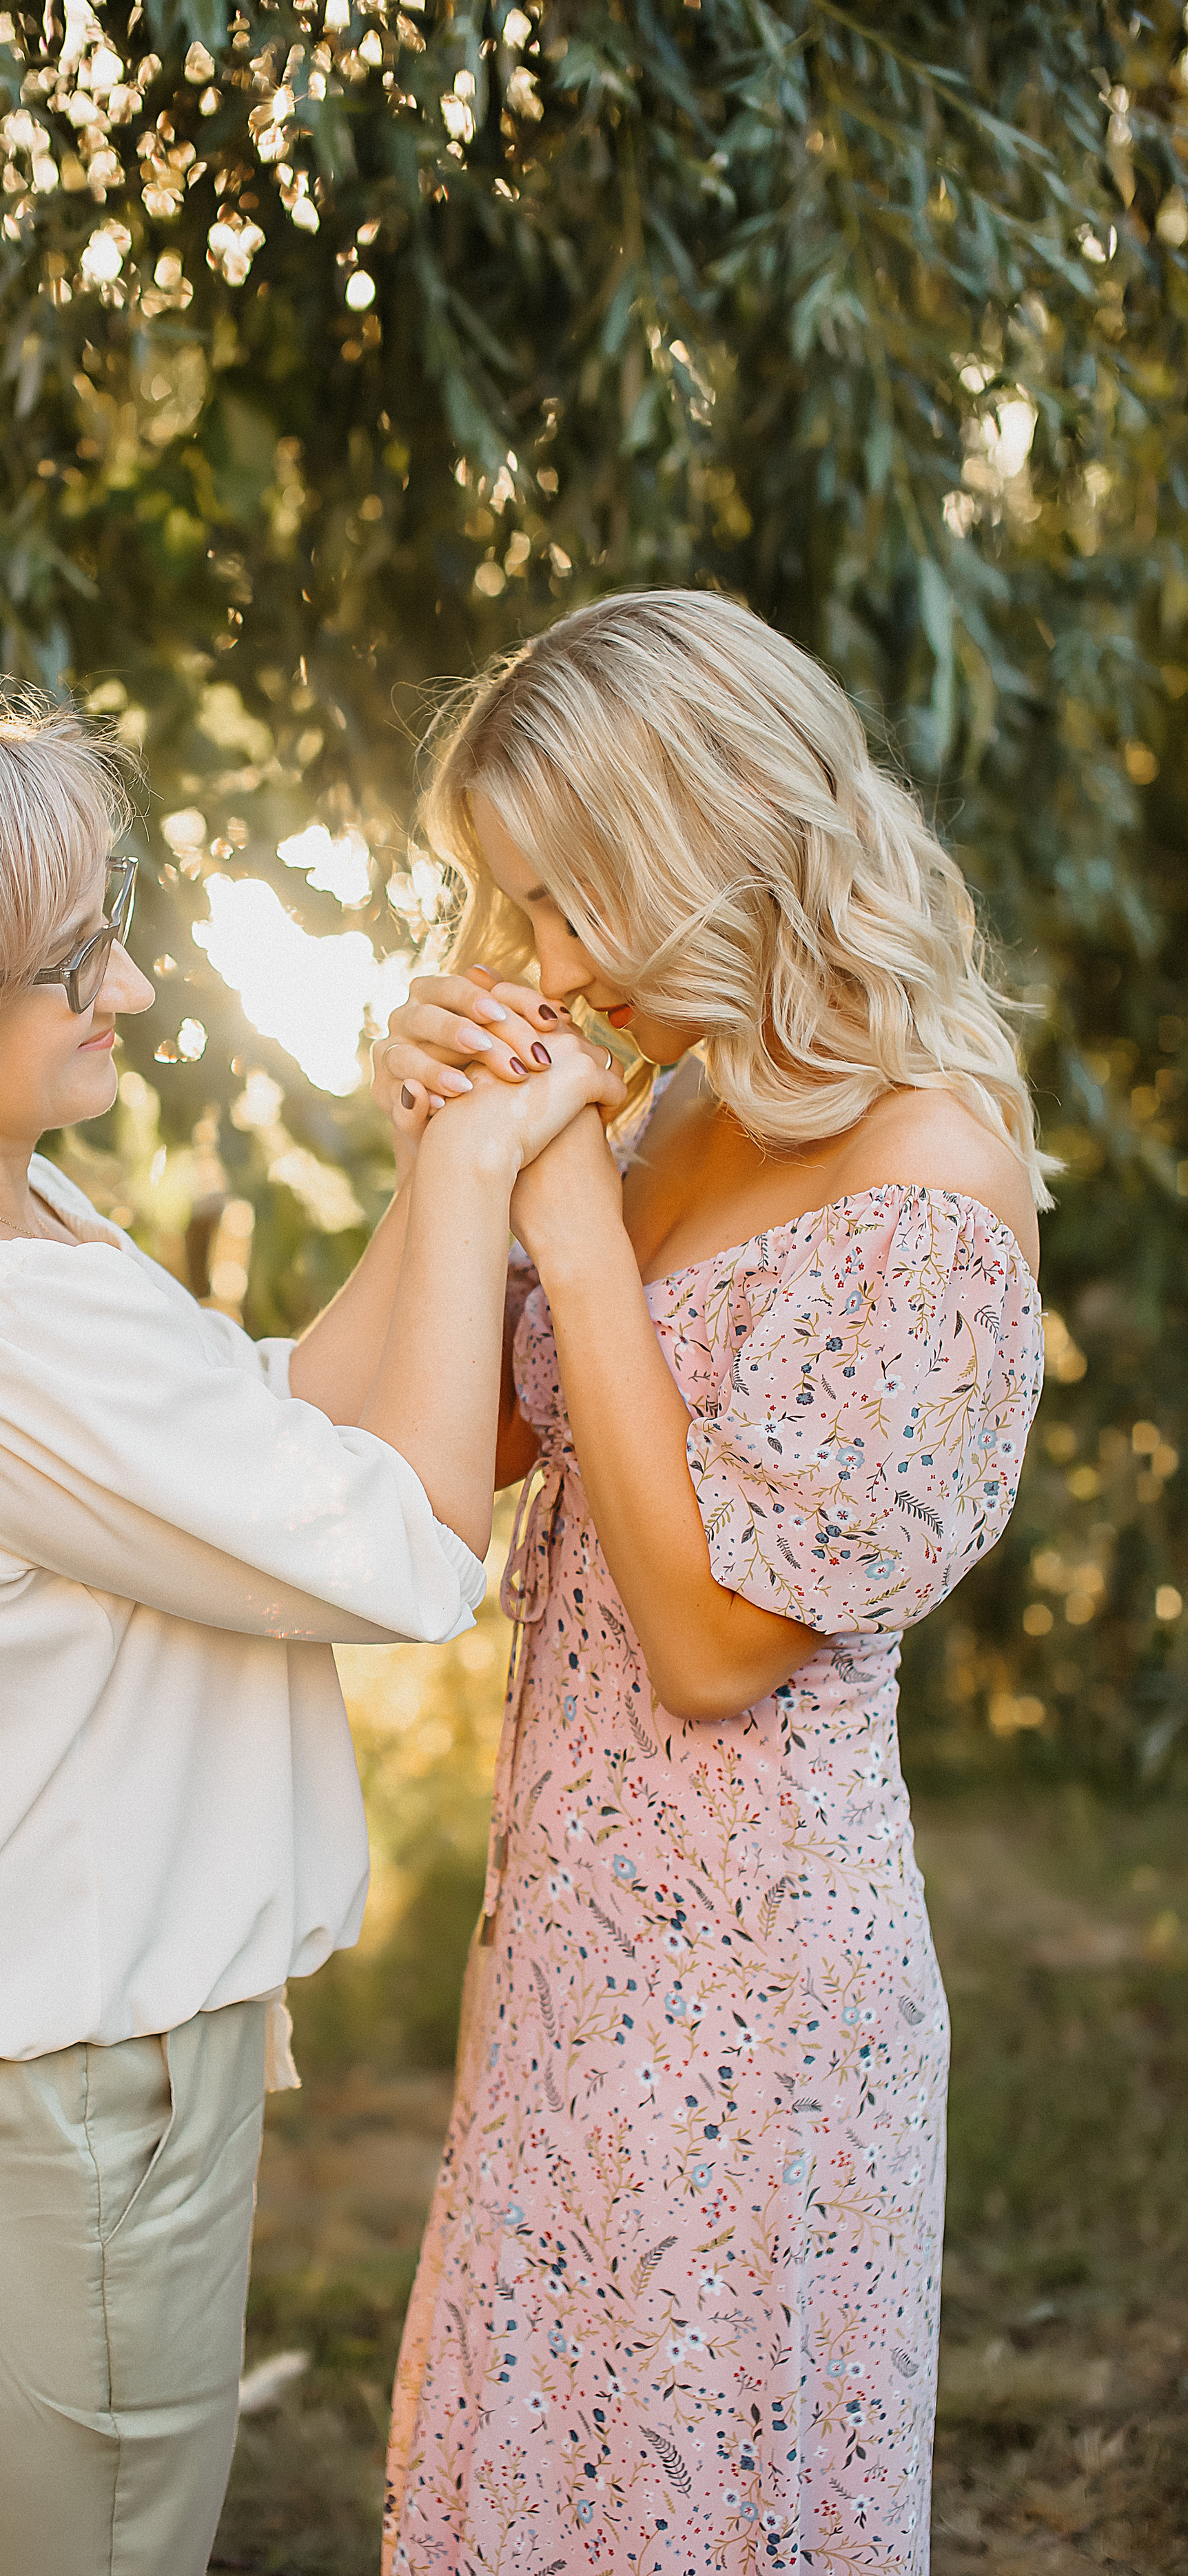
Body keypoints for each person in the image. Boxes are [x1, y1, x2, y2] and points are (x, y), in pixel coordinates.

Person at [0, 673, 617, 2576]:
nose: (125, 992)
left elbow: (264, 1430)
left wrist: (431, 1163)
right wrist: (472, 1171)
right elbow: (418, 1545)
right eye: (70, 963)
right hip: (46, 2126)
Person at [371, 590, 1047, 2575]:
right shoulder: (672, 1102)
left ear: (701, 855)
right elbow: (467, 1457)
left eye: (564, 907)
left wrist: (569, 1219)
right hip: (570, 1937)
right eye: (508, 915)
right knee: (537, 2483)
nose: (541, 965)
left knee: (692, 2507)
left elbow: (707, 1646)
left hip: (758, 1979)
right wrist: (450, 1162)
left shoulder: (931, 1176)